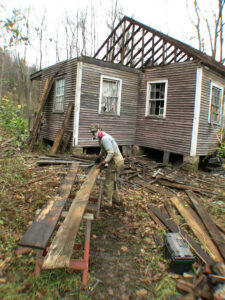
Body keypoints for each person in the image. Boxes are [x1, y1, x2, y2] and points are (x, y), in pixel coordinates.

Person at [90, 124, 124, 208]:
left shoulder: (104, 138)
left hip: (115, 162)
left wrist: (104, 162)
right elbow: (103, 149)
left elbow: (111, 152)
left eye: (95, 131)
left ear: (99, 129)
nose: (94, 133)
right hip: (116, 161)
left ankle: (107, 203)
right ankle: (116, 200)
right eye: (92, 132)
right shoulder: (102, 138)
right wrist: (99, 157)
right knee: (113, 181)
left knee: (108, 182)